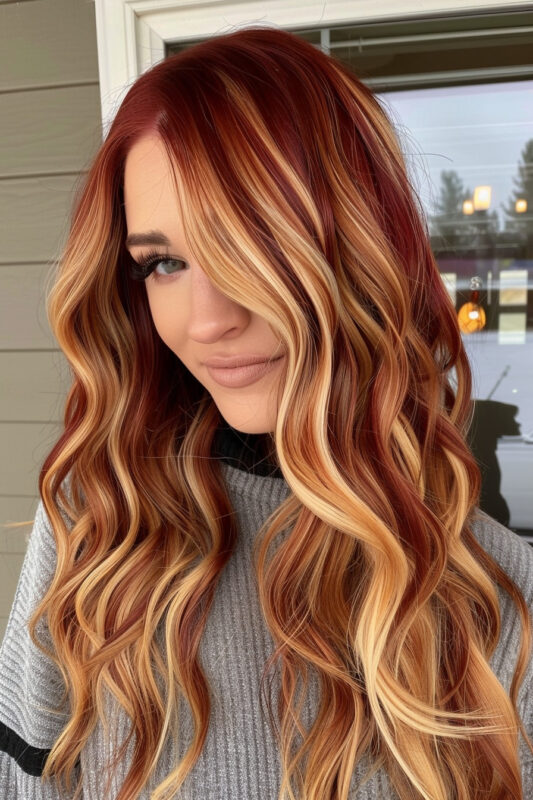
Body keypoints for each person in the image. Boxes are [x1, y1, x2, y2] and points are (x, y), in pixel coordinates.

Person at [0, 24, 531, 800]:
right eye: (164, 263)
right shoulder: (99, 521)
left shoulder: (494, 592)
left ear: (354, 251)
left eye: (248, 244)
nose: (208, 319)